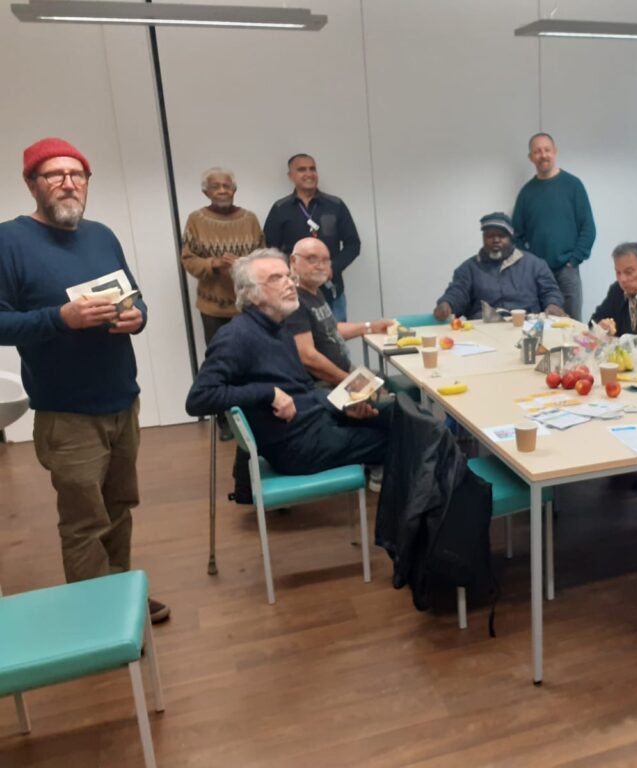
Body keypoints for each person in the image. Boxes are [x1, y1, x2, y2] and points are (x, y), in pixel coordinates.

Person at [0, 137, 168, 623]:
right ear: (32, 183)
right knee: (83, 522)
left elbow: (136, 300)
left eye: (78, 175)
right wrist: (60, 318)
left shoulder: (102, 235)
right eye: (54, 175)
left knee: (119, 506)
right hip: (67, 412)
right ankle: (97, 621)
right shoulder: (9, 241)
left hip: (122, 399)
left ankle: (121, 597)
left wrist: (138, 317)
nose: (69, 184)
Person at [185, 249, 389, 486]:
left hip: (315, 423)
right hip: (297, 447)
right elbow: (198, 399)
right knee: (402, 435)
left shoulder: (279, 328)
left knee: (397, 414)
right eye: (275, 278)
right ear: (251, 294)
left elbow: (304, 391)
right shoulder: (235, 336)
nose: (290, 284)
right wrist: (268, 393)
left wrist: (341, 407)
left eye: (288, 277)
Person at [181, 167, 264, 439]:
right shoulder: (196, 220)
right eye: (215, 186)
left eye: (226, 185)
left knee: (254, 360)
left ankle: (253, 414)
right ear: (206, 191)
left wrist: (245, 265)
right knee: (219, 363)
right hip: (214, 307)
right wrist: (214, 263)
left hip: (249, 306)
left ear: (234, 189)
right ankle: (223, 418)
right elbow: (188, 259)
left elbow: (263, 257)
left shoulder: (250, 219)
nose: (222, 190)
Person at [263, 153, 360, 322]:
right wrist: (291, 273)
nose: (309, 174)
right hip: (294, 292)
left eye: (312, 169)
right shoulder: (280, 208)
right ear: (291, 176)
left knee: (335, 342)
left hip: (332, 290)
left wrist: (332, 268)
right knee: (299, 343)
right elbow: (270, 250)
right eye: (302, 170)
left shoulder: (335, 205)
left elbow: (353, 244)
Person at [512, 133, 596, 321]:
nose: (543, 155)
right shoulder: (526, 193)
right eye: (537, 151)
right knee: (540, 326)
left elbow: (588, 228)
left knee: (572, 326)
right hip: (538, 275)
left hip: (568, 271)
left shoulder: (573, 185)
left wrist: (573, 260)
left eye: (547, 150)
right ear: (531, 157)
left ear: (555, 152)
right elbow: (515, 237)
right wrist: (531, 264)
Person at [287, 237, 390, 387]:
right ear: (293, 261)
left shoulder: (315, 292)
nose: (320, 266)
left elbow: (330, 330)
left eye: (325, 260)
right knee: (385, 398)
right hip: (324, 384)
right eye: (311, 259)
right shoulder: (294, 301)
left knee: (383, 380)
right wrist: (349, 380)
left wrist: (371, 327)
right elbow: (308, 357)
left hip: (342, 373)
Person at [434, 212, 566, 321]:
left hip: (526, 325)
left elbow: (550, 291)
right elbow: (457, 292)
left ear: (511, 237)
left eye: (501, 236)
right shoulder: (468, 268)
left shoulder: (535, 264)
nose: (496, 240)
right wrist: (447, 304)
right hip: (484, 329)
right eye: (490, 236)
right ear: (483, 238)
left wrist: (553, 304)